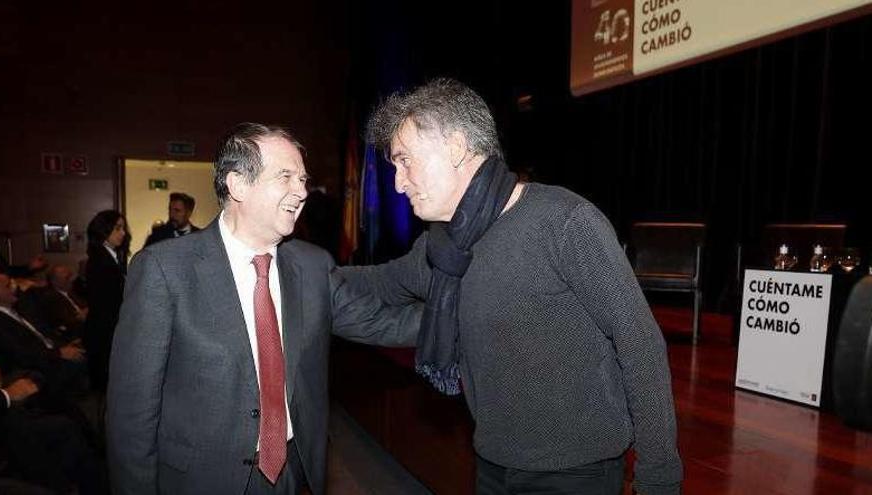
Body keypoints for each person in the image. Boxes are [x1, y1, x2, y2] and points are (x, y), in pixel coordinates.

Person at [345, 78, 683, 494]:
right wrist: (286, 271)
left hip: (575, 473)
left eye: (404, 160)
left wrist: (658, 480)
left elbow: (640, 344)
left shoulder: (563, 222)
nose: (398, 183)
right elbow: (381, 284)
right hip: (492, 462)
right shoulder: (444, 245)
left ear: (454, 147)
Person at [106, 122, 420, 495]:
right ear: (238, 184)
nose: (301, 191)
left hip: (293, 473)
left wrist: (478, 310)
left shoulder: (312, 265)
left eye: (303, 179)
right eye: (285, 176)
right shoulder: (163, 269)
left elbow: (383, 323)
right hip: (201, 480)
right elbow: (131, 415)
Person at [84, 210, 128, 392]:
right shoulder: (101, 260)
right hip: (105, 332)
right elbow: (108, 303)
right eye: (118, 228)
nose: (123, 233)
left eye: (123, 228)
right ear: (104, 230)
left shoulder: (110, 256)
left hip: (108, 328)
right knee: (107, 388)